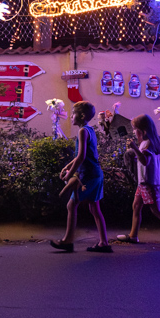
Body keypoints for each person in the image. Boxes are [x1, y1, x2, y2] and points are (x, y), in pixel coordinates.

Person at [51, 101, 112, 253]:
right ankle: (104, 243)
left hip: (89, 175)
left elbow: (81, 157)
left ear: (82, 116)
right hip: (96, 173)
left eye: (73, 114)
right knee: (94, 208)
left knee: (71, 205)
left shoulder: (82, 131)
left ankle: (67, 241)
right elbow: (82, 155)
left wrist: (69, 174)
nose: (71, 116)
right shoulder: (89, 130)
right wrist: (67, 166)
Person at [117, 114, 160, 246]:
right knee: (136, 206)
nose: (133, 131)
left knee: (156, 210)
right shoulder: (144, 143)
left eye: (135, 129)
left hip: (150, 183)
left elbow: (145, 161)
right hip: (143, 182)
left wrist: (135, 148)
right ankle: (133, 235)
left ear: (143, 131)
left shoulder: (148, 144)